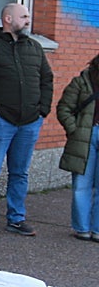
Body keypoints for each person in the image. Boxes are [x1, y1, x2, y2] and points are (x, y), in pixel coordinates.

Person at [0, 3, 53, 237]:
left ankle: (16, 218)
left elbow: (46, 79)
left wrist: (42, 110)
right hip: (0, 121)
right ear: (8, 18)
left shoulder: (35, 48)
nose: (28, 20)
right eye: (24, 16)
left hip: (29, 121)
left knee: (20, 172)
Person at [55, 54, 99, 241]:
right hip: (84, 136)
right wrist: (74, 130)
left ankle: (97, 229)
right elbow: (64, 108)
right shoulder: (82, 81)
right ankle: (82, 228)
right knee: (82, 184)